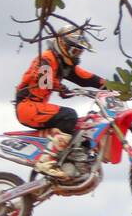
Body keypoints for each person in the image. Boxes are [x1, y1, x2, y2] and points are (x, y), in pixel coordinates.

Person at [13, 25, 109, 178]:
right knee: (69, 115)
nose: (76, 55)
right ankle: (46, 161)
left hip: (37, 106)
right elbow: (44, 81)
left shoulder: (62, 64)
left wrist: (111, 85)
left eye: (79, 52)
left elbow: (86, 78)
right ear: (63, 45)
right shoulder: (46, 58)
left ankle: (67, 160)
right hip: (28, 106)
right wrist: (61, 88)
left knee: (79, 126)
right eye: (74, 51)